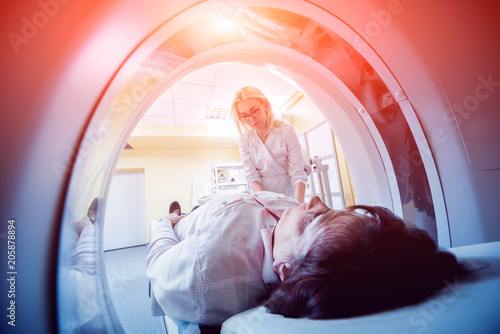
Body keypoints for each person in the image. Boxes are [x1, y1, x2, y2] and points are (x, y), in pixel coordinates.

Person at [146, 191, 467, 326]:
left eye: (313, 219)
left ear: (285, 270)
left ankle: (177, 212)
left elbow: (158, 265)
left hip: (185, 231)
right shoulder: (295, 237)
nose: (313, 199)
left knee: (178, 214)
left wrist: (165, 223)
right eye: (328, 210)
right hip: (216, 208)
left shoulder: (208, 272)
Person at [231, 86, 308, 203]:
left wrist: (298, 206)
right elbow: (251, 176)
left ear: (265, 106)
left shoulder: (286, 131)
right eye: (245, 116)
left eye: (254, 111)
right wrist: (267, 202)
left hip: (289, 195)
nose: (251, 120)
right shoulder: (245, 140)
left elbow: (297, 172)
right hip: (263, 197)